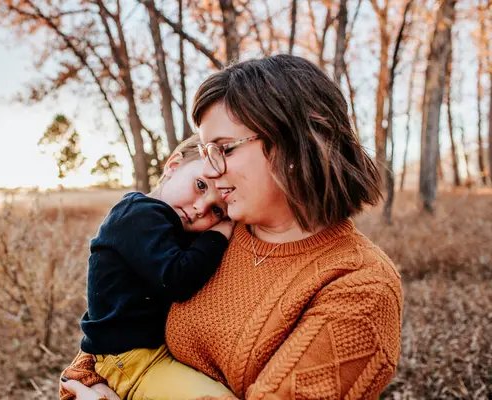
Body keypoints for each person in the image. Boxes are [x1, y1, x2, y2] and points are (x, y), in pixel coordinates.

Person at [63, 54, 403, 400]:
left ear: (293, 143)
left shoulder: (360, 286)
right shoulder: (218, 233)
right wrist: (81, 384)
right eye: (207, 152)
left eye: (224, 149)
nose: (210, 170)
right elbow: (112, 315)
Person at [59, 135, 236, 400]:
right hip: (131, 360)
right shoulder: (139, 214)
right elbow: (177, 278)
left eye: (218, 211)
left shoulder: (167, 223)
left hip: (148, 356)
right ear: (173, 165)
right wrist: (220, 232)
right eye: (200, 185)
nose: (201, 208)